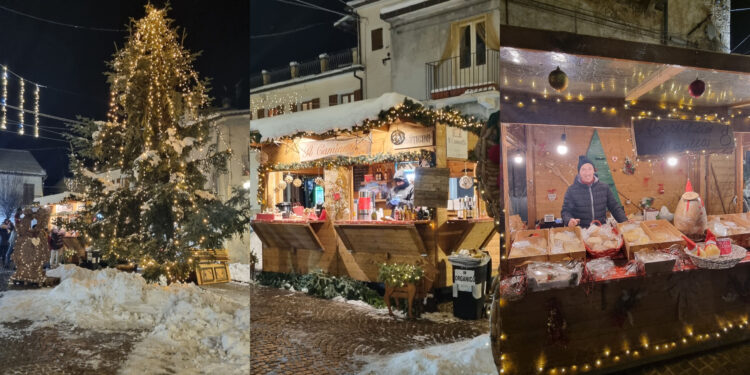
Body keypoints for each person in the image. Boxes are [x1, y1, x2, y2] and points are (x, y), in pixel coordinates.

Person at [561, 156, 627, 228]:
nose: (587, 173)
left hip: (600, 230)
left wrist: (625, 222)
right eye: (583, 169)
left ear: (594, 170)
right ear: (579, 172)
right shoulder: (571, 190)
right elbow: (566, 211)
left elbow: (614, 207)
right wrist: (569, 220)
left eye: (590, 168)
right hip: (581, 231)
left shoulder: (604, 187)